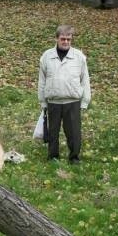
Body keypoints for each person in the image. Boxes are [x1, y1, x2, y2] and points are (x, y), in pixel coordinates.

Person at [38, 25, 91, 164]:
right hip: (53, 101)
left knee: (74, 133)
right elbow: (42, 81)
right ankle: (53, 156)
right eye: (63, 39)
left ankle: (74, 157)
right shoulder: (47, 56)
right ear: (56, 38)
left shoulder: (79, 57)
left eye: (69, 39)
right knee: (53, 132)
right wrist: (42, 101)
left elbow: (85, 80)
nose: (66, 42)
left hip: (72, 101)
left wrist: (85, 101)